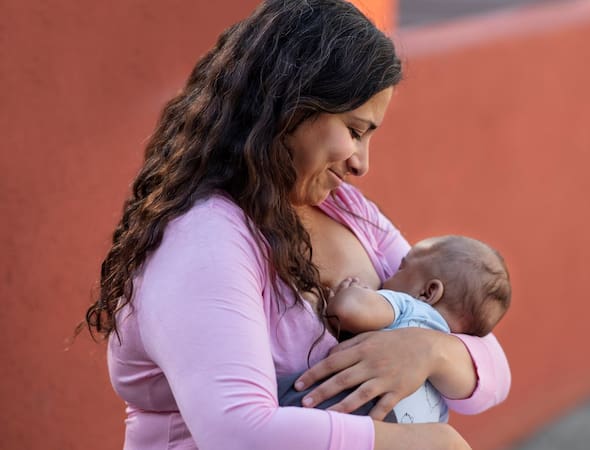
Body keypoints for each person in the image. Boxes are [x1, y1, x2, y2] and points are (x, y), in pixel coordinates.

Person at [84, 1, 510, 449]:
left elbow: (486, 356)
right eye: (355, 130)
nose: (361, 164)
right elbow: (239, 431)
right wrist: (427, 444)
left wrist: (427, 351)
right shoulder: (202, 241)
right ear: (291, 109)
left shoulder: (347, 210)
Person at [323, 235, 512, 424]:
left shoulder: (410, 307)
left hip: (363, 408)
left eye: (401, 268)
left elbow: (346, 311)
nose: (388, 276)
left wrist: (354, 291)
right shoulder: (446, 376)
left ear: (427, 292)